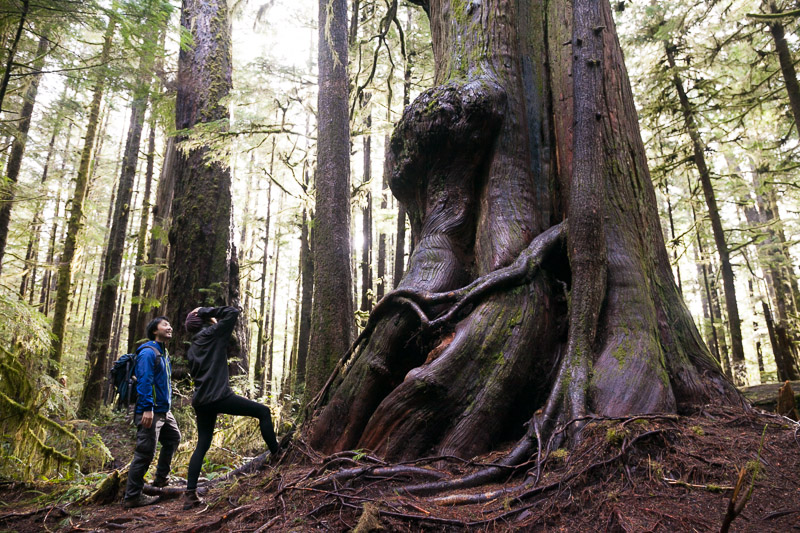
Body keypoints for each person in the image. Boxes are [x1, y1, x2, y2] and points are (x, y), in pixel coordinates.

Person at [183, 306, 281, 510]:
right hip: (220, 396)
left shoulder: (192, 348)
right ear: (203, 320)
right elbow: (233, 312)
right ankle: (278, 456)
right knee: (263, 412)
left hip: (201, 402)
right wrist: (204, 310)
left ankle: (190, 494)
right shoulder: (213, 333)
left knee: (202, 444)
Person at [123, 316, 181, 509]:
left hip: (164, 410)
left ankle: (161, 479)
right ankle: (132, 496)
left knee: (173, 438)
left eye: (170, 323)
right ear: (154, 330)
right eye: (165, 324)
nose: (170, 326)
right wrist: (147, 408)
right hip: (151, 411)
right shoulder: (148, 352)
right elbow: (145, 380)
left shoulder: (163, 353)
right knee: (145, 452)